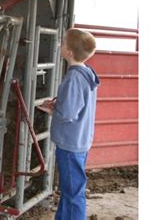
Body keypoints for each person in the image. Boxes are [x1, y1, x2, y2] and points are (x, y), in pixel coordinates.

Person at [37, 28, 100, 220]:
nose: (60, 45)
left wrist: (53, 110)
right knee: (69, 189)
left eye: (63, 43)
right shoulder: (87, 72)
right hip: (79, 139)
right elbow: (77, 104)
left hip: (70, 143)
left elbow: (68, 113)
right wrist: (60, 104)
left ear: (69, 53)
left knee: (73, 192)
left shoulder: (73, 77)